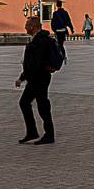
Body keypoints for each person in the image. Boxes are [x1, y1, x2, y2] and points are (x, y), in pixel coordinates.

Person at [15, 16, 55, 145]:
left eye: (27, 25)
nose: (25, 27)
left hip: (40, 78)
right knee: (24, 103)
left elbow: (35, 62)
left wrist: (22, 77)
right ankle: (32, 132)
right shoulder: (36, 39)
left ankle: (49, 135)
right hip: (35, 78)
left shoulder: (40, 41)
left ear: (33, 26)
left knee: (43, 106)